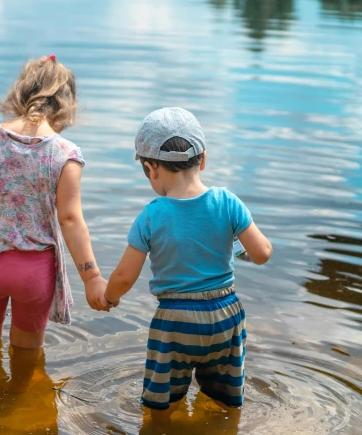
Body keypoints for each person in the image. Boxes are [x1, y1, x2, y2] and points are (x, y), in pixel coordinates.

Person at [0, 55, 110, 350]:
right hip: (35, 272)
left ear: (19, 94)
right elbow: (71, 219)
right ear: (66, 105)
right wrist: (92, 277)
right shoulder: (66, 153)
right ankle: (28, 394)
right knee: (28, 355)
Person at [103, 107, 272, 413]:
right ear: (203, 160)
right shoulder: (227, 202)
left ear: (151, 168)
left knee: (160, 407)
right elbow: (262, 253)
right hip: (226, 316)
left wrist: (109, 296)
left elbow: (125, 277)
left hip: (175, 322)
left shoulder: (152, 215)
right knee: (226, 402)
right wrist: (238, 250)